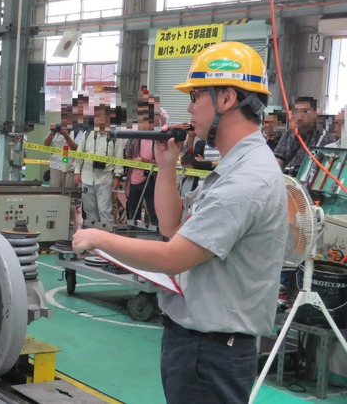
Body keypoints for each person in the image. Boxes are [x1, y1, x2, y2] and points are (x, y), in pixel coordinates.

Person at [72, 42, 287, 403]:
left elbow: (175, 257)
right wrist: (167, 165)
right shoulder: (234, 167)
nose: (189, 108)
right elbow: (172, 227)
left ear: (226, 99)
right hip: (198, 345)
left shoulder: (246, 180)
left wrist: (98, 237)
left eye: (195, 96)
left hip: (211, 353)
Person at [74, 105, 124, 229]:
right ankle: (92, 237)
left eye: (104, 115)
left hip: (105, 178)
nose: (100, 118)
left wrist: (117, 176)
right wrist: (77, 172)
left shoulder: (115, 136)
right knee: (89, 211)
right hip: (87, 176)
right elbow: (79, 154)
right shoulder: (87, 134)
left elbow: (119, 158)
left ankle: (107, 238)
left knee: (105, 210)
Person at [274, 96, 334, 174]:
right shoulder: (289, 134)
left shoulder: (324, 136)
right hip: (287, 176)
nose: (300, 115)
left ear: (315, 113)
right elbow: (278, 159)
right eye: (297, 111)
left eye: (305, 111)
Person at [44, 104, 78, 188]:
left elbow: (77, 149)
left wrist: (66, 136)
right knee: (54, 193)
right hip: (55, 167)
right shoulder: (56, 130)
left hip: (70, 169)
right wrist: (52, 132)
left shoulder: (77, 131)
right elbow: (46, 145)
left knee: (68, 193)